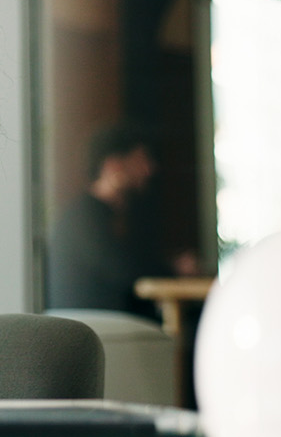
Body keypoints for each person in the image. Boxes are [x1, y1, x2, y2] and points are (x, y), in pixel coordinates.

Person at [45, 125, 196, 316]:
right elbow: (124, 271)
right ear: (113, 165)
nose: (149, 169)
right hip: (94, 326)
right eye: (140, 160)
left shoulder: (104, 214)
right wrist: (175, 269)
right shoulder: (84, 217)